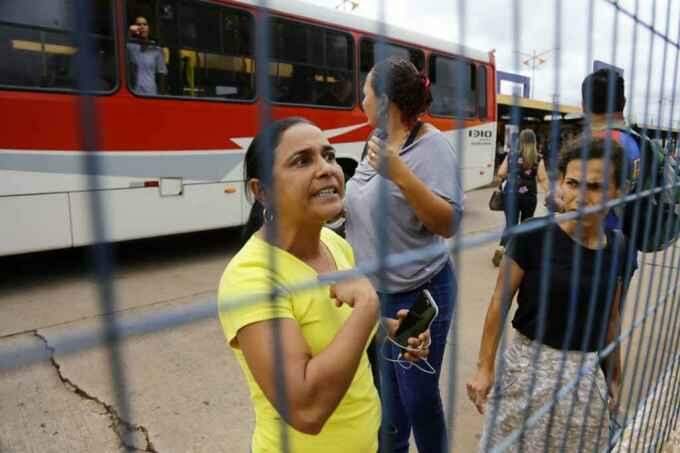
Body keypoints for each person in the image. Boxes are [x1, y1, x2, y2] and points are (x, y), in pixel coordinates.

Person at [217, 117, 429, 453]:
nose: (327, 169)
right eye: (302, 161)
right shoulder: (251, 278)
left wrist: (395, 330)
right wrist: (369, 306)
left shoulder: (335, 243)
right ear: (262, 192)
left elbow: (342, 330)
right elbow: (305, 410)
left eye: (329, 156)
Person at [467, 135, 626, 452]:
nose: (580, 196)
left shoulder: (617, 246)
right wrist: (484, 368)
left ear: (617, 192)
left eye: (594, 187)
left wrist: (614, 379)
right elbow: (499, 301)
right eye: (572, 183)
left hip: (583, 384)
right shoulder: (533, 235)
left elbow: (610, 319)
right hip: (526, 374)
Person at [345, 57, 464, 453]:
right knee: (387, 397)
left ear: (385, 102)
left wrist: (401, 175)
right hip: (376, 295)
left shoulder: (430, 144)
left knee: (415, 394)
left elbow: (448, 222)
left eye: (365, 92)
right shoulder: (374, 142)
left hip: (420, 293)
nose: (360, 99)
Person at [492, 129, 543, 267]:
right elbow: (543, 178)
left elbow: (501, 173)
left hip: (511, 194)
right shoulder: (537, 158)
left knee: (511, 224)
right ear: (534, 141)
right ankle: (523, 255)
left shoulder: (512, 155)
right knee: (527, 224)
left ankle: (502, 248)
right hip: (529, 196)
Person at [127, 16, 167, 95]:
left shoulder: (156, 49)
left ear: (149, 28)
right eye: (138, 24)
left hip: (151, 93)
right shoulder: (130, 46)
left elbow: (161, 74)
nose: (142, 27)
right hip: (134, 93)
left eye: (145, 24)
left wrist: (161, 96)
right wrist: (130, 32)